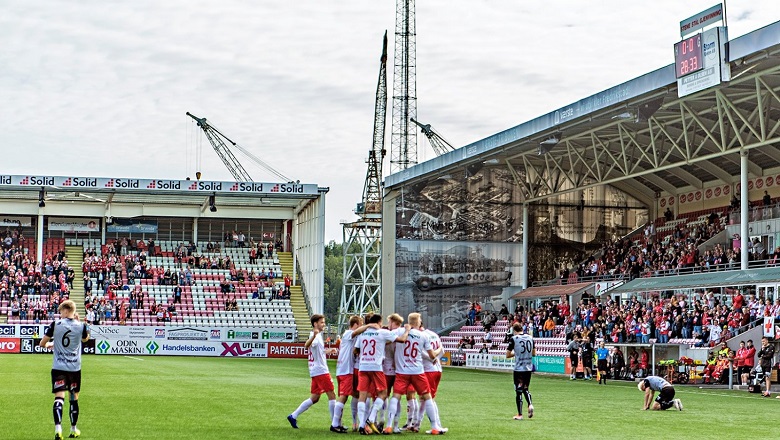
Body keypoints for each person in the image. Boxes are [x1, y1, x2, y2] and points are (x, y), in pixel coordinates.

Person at [385, 313, 445, 435]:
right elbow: (432, 355)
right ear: (418, 321)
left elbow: (386, 341)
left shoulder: (399, 331)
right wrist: (440, 349)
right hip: (417, 371)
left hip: (402, 371)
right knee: (427, 397)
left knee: (395, 396)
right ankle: (434, 427)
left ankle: (389, 425)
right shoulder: (423, 336)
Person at [39, 300, 90, 440]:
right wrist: (80, 323)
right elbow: (86, 340)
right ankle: (73, 429)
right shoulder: (81, 326)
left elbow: (42, 343)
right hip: (74, 368)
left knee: (59, 398)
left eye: (61, 311)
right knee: (73, 398)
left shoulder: (56, 324)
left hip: (58, 367)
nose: (60, 314)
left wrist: (50, 344)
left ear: (67, 310)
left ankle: (58, 429)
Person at [354, 314, 409, 435]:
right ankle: (372, 417)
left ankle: (362, 426)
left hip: (363, 366)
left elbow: (355, 350)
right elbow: (402, 339)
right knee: (383, 393)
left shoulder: (362, 334)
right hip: (376, 367)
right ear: (379, 322)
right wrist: (407, 330)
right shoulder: (382, 333)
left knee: (362, 396)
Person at [287, 314, 340, 431]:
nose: (324, 324)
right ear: (315, 324)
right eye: (322, 322)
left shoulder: (318, 335)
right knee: (332, 395)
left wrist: (328, 350)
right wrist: (313, 336)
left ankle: (293, 416)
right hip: (321, 370)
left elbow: (317, 351)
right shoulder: (314, 335)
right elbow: (307, 345)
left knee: (315, 398)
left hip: (315, 370)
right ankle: (335, 424)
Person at [331, 315, 370, 434]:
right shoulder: (348, 333)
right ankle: (334, 424)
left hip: (343, 369)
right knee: (343, 396)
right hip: (346, 370)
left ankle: (339, 423)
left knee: (348, 395)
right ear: (356, 324)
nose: (362, 326)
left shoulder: (351, 335)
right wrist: (369, 325)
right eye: (361, 323)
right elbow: (356, 332)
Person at [506, 322, 535, 420]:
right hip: (528, 368)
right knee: (525, 388)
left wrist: (516, 353)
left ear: (514, 330)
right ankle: (530, 404)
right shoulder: (530, 338)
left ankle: (520, 414)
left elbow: (508, 355)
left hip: (519, 369)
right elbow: (534, 353)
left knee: (518, 391)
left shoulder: (514, 339)